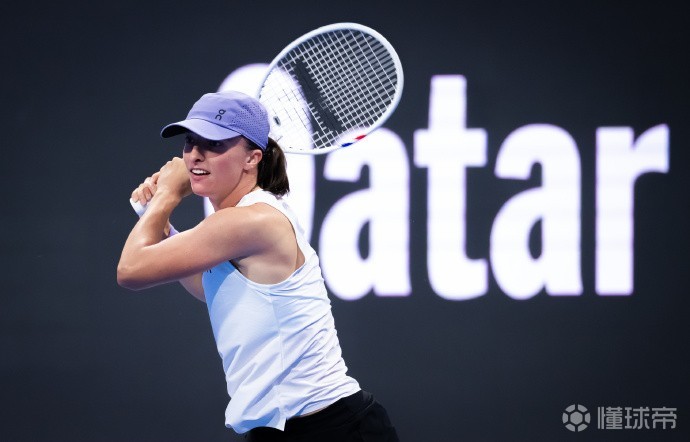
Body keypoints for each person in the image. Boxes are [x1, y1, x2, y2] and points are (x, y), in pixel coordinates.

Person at [117, 91, 399, 441]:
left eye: (214, 144)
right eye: (190, 142)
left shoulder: (252, 220)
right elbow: (210, 287)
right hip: (281, 430)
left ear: (252, 158)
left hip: (332, 429)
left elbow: (130, 271)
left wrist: (166, 196)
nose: (195, 155)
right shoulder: (241, 219)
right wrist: (156, 218)